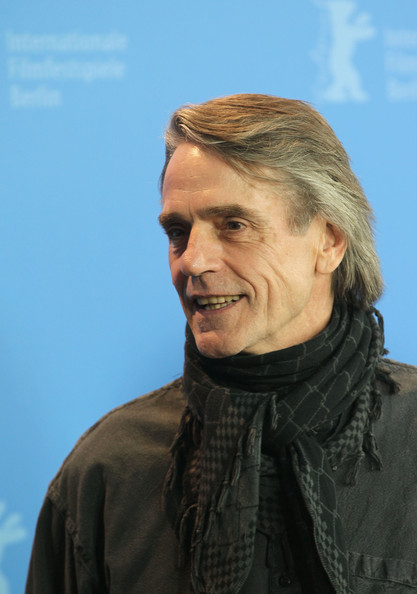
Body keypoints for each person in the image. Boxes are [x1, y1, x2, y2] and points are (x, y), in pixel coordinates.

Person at [26, 94, 417, 594]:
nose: (192, 261)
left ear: (329, 241)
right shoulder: (107, 472)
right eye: (178, 231)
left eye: (234, 225)